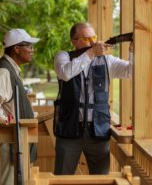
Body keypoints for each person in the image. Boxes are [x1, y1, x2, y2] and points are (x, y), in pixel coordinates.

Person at [54, 22, 133, 175]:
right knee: (62, 179)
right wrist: (91, 53)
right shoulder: (63, 56)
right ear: (74, 41)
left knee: (102, 179)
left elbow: (130, 72)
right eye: (87, 38)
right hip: (69, 130)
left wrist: (132, 51)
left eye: (94, 37)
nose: (93, 42)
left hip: (98, 131)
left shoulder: (107, 61)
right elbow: (65, 73)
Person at [0, 28, 40, 185]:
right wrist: (6, 122)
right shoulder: (4, 70)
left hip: (16, 140)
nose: (32, 50)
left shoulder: (10, 69)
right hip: (8, 141)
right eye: (29, 46)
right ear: (16, 49)